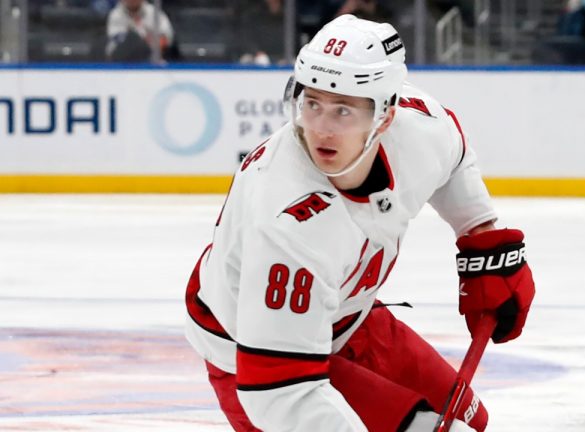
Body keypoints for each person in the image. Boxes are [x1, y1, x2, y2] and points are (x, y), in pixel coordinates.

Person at [184, 14, 536, 432]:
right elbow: (280, 392)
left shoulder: (420, 126)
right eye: (311, 104)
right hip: (256, 354)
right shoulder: (287, 220)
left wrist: (481, 233)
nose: (321, 129)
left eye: (343, 111)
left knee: (468, 421)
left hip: (351, 319)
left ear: (385, 117)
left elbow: (455, 158)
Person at [106, 0, 174, 62]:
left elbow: (165, 38)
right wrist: (144, 40)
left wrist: (149, 45)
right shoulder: (116, 14)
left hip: (152, 59)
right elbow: (118, 44)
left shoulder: (153, 12)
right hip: (123, 62)